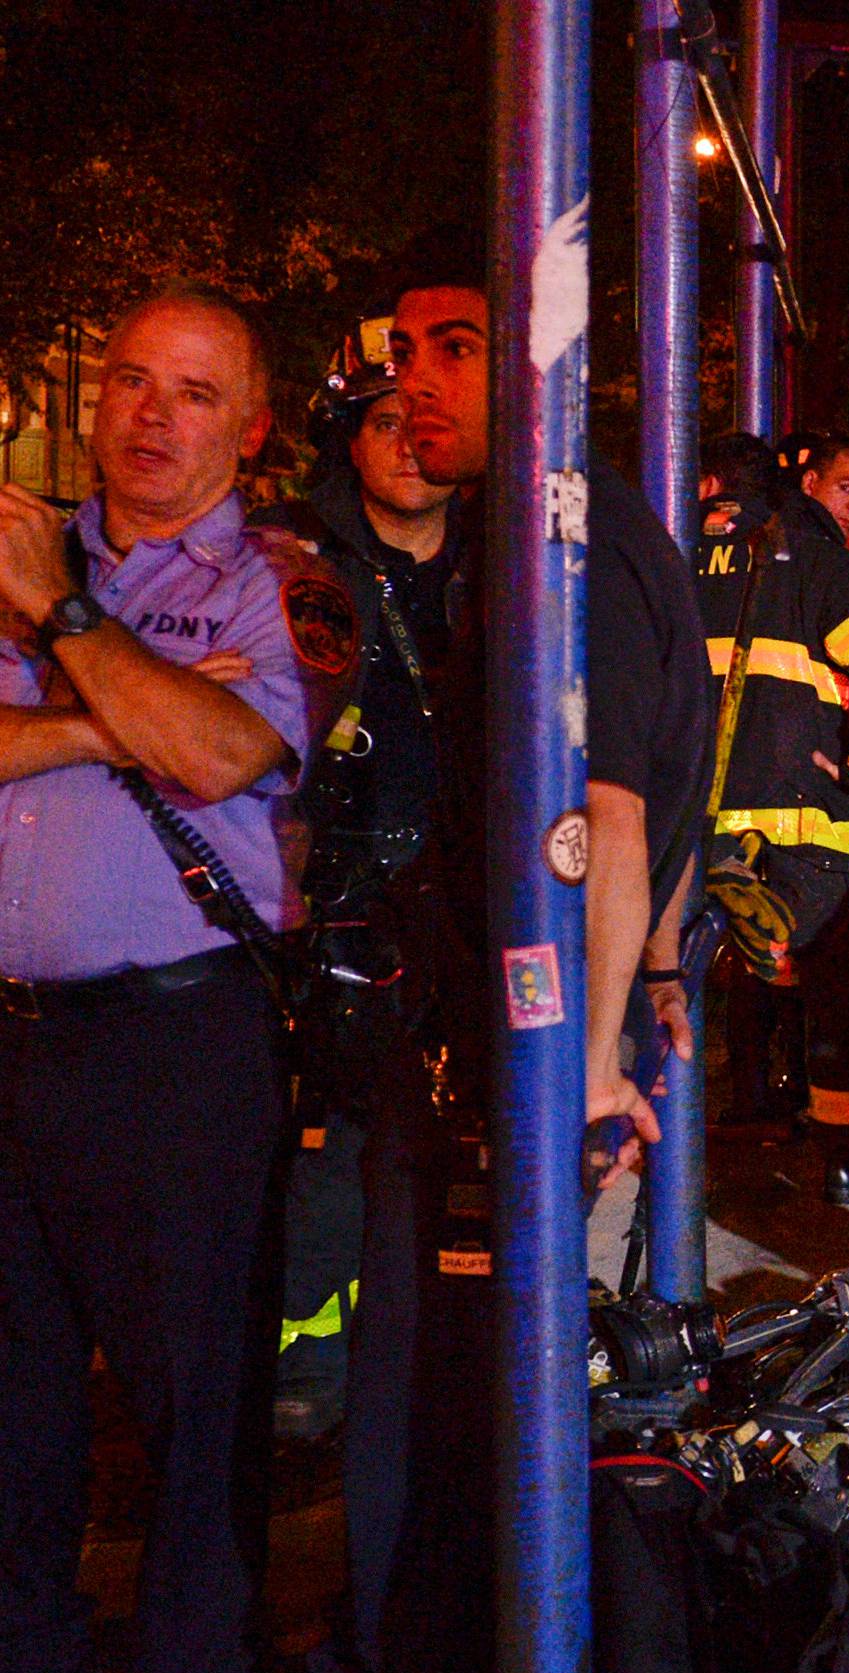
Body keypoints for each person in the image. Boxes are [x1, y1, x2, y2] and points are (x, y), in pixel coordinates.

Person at [213, 226, 714, 1673]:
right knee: (417, 1433)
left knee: (433, 1439)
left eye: (440, 344)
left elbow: (619, 811)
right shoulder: (526, 537)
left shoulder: (577, 546)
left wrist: (583, 1065)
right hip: (480, 1063)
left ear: (527, 355)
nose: (399, 377)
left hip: (513, 1085)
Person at [0, 286, 354, 1673]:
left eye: (193, 393)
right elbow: (161, 734)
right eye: (131, 379)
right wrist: (110, 716)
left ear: (251, 427)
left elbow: (228, 750)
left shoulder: (285, 581)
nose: (149, 413)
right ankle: (29, 1647)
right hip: (14, 1031)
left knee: (191, 1373)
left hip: (176, 1030)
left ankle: (196, 1672)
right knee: (10, 1371)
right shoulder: (26, 545)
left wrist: (67, 634)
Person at [259, 317, 462, 1443]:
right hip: (329, 908)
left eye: (424, 416)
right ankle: (309, 1368)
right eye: (384, 419)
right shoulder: (289, 554)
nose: (409, 438)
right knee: (324, 1153)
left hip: (459, 902)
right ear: (346, 434)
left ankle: (424, 1365)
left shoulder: (502, 562)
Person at [706, 431, 849, 1204]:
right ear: (801, 481)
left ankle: (749, 1095)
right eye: (846, 488)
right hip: (808, 813)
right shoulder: (813, 559)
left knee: (727, 963)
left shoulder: (677, 557)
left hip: (707, 815)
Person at [693, 430, 805, 1133]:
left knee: (681, 932)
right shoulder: (788, 546)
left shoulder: (679, 536)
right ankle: (765, 1082)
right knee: (770, 940)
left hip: (691, 754)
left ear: (709, 483)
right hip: (777, 772)